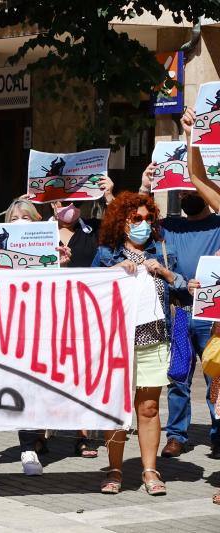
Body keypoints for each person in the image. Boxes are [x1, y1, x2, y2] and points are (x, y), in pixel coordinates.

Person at [0, 197, 70, 475]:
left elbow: (62, 290)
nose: (20, 223)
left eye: (26, 218)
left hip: (31, 331)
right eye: (14, 219)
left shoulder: (48, 252)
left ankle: (28, 447)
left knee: (27, 388)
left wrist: (62, 264)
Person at [92, 191, 184, 496]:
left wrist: (167, 272)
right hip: (116, 343)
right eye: (137, 219)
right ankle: (115, 469)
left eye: (148, 218)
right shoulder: (107, 253)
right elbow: (88, 290)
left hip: (154, 340)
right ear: (123, 222)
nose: (144, 224)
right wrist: (113, 272)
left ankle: (149, 470)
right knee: (116, 407)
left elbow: (184, 289)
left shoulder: (163, 251)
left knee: (148, 407)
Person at [152, 107, 220, 459]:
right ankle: (177, 434)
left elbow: (201, 176)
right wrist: (145, 184)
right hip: (179, 312)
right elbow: (134, 225)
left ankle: (218, 434)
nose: (190, 193)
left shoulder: (219, 223)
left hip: (211, 317)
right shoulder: (169, 227)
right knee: (178, 377)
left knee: (215, 377)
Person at [50, 178, 114, 458]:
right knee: (47, 373)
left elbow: (121, 226)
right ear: (52, 203)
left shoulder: (94, 229)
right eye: (63, 201)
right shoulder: (38, 233)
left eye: (75, 201)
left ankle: (83, 435)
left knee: (84, 373)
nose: (69, 207)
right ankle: (38, 434)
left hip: (86, 313)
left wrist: (109, 195)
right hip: (48, 313)